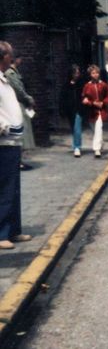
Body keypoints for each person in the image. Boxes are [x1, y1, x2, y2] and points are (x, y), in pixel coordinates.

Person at [0, 41, 32, 250]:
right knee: (5, 187)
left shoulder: (4, 79)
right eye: (9, 55)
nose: (12, 58)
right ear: (3, 57)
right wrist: (5, 127)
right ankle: (2, 233)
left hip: (12, 141)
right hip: (3, 141)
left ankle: (13, 230)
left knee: (14, 188)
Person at [4, 57, 36, 170]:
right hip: (18, 104)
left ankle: (19, 160)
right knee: (21, 133)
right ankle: (18, 161)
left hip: (19, 104)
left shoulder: (12, 72)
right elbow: (18, 89)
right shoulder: (10, 73)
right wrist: (29, 99)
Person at [81, 65, 108, 158]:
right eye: (93, 73)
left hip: (101, 111)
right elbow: (84, 97)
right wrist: (90, 102)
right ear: (90, 74)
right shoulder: (87, 86)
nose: (95, 75)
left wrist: (103, 103)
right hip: (91, 111)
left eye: (97, 73)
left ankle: (97, 149)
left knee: (98, 128)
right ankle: (101, 143)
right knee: (95, 129)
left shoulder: (103, 85)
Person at [59, 65, 85, 157]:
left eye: (78, 73)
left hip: (79, 109)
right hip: (70, 110)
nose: (77, 75)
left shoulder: (81, 84)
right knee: (74, 128)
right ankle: (76, 145)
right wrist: (62, 110)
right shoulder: (66, 85)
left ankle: (77, 147)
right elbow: (62, 98)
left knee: (77, 128)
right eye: (75, 73)